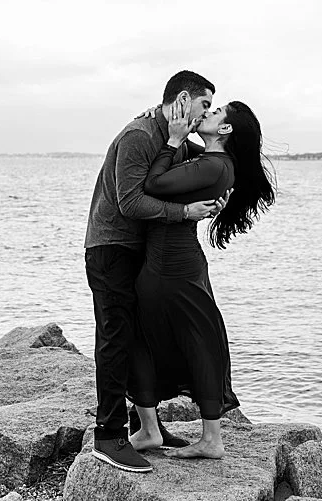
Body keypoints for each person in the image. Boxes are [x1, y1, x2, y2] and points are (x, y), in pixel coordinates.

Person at [84, 70, 224, 473]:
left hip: (139, 251)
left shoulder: (172, 140)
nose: (207, 113)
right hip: (110, 248)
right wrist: (184, 212)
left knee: (143, 338)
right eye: (203, 105)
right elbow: (129, 202)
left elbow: (192, 172)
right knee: (115, 339)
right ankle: (107, 437)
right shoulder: (139, 136)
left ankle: (148, 428)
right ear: (182, 98)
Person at [125, 100, 276, 460]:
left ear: (225, 129)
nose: (206, 113)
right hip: (173, 265)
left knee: (189, 343)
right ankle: (152, 430)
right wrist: (158, 117)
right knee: (162, 340)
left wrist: (173, 140)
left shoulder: (213, 165)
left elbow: (153, 183)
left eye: (215, 111)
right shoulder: (211, 161)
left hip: (171, 269)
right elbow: (180, 153)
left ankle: (202, 439)